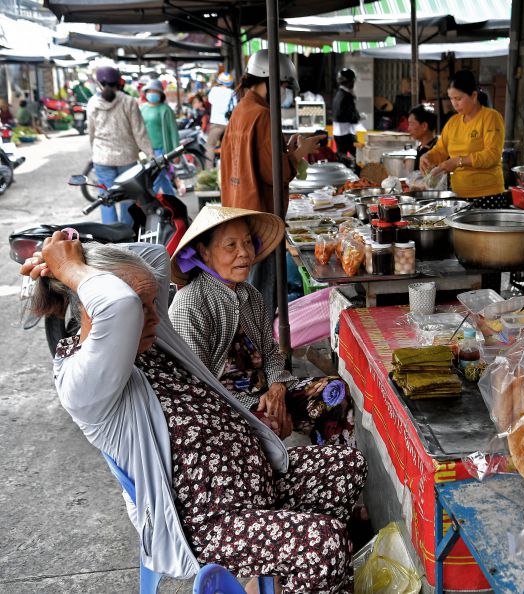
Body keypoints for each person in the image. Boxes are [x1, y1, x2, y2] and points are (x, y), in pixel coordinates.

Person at [23, 235, 366, 593]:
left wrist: (79, 253)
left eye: (151, 303)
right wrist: (71, 268)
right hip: (208, 522)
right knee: (324, 544)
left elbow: (155, 256)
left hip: (258, 483)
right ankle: (312, 564)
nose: (155, 314)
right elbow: (120, 304)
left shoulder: (151, 341)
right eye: (141, 307)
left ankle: (296, 578)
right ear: (91, 306)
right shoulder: (84, 381)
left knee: (347, 465)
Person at [169, 205, 355, 446]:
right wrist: (259, 410)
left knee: (335, 391)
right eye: (231, 245)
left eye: (247, 242)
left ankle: (331, 461)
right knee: (269, 426)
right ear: (204, 252)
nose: (244, 253)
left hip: (267, 394)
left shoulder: (251, 295)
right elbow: (197, 386)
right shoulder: (190, 305)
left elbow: (271, 352)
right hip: (224, 410)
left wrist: (277, 388)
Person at [220, 49, 322, 318]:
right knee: (262, 300)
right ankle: (262, 344)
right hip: (261, 221)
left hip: (239, 215)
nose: (284, 92)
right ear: (269, 80)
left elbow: (256, 161)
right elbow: (274, 173)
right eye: (284, 85)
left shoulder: (242, 110)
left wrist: (287, 150)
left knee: (249, 295)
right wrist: (300, 153)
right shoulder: (263, 114)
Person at [419, 70, 506, 207]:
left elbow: (492, 155)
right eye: (451, 99)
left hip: (487, 195)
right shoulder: (453, 122)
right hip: (458, 195)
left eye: (458, 99)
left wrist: (458, 161)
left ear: (474, 96)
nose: (454, 104)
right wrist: (428, 157)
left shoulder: (490, 117)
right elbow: (440, 150)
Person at [87, 66, 154, 226]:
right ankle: (127, 232)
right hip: (127, 158)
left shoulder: (93, 103)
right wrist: (150, 154)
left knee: (106, 198)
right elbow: (139, 132)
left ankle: (111, 234)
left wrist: (95, 151)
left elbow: (91, 132)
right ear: (119, 82)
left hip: (102, 159)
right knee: (128, 197)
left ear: (99, 83)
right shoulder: (129, 101)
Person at [140, 80, 179, 197]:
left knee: (156, 178)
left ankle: (149, 202)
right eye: (150, 91)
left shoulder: (165, 109)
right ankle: (172, 200)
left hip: (161, 150)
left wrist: (176, 151)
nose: (152, 93)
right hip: (147, 150)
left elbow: (173, 131)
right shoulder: (143, 108)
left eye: (155, 91)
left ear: (161, 94)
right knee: (161, 177)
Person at [206, 72, 235, 163]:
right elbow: (235, 106)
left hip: (216, 123)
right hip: (228, 123)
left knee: (210, 146)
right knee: (228, 146)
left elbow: (210, 100)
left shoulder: (214, 90)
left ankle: (209, 168)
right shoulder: (232, 93)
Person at [332, 68, 361, 159]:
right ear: (349, 82)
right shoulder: (347, 96)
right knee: (358, 156)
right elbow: (350, 116)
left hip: (338, 133)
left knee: (342, 158)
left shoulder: (338, 95)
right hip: (347, 134)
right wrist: (358, 117)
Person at [407, 104, 437, 171]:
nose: (408, 129)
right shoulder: (421, 148)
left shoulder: (436, 151)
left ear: (424, 126)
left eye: (411, 124)